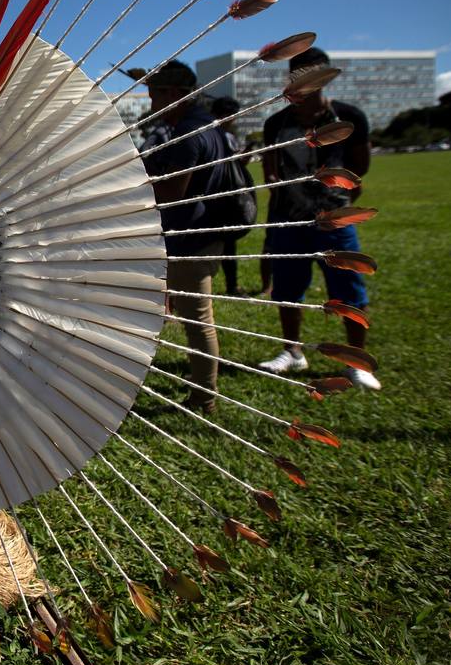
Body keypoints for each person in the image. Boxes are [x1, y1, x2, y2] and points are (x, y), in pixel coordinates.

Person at [257, 47, 380, 390]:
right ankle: (292, 351)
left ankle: (356, 361)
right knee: (287, 288)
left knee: (348, 289)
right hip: (289, 219)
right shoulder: (277, 123)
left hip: (334, 219)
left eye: (315, 75)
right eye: (300, 75)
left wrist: (336, 201)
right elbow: (271, 171)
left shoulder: (348, 117)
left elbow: (359, 167)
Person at [135, 61, 231, 413]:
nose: (152, 103)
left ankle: (204, 398)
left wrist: (136, 184)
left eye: (154, 95)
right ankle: (203, 391)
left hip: (192, 237)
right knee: (195, 317)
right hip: (197, 232)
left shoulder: (190, 132)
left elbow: (173, 192)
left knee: (197, 320)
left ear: (174, 94)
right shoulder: (204, 125)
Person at [210, 96, 243, 296]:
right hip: (220, 198)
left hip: (220, 198)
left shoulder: (212, 134)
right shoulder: (221, 136)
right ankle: (230, 285)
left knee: (227, 245)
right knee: (225, 245)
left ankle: (231, 285)